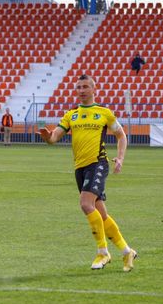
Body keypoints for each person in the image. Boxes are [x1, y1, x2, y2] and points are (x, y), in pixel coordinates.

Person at [39, 74, 137, 272]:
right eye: (78, 87)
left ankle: (103, 252)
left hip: (98, 163)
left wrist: (120, 158)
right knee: (101, 214)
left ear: (93, 89)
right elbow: (55, 137)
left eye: (85, 87)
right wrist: (48, 137)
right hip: (80, 168)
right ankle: (127, 251)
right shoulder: (71, 115)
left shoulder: (104, 113)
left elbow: (121, 136)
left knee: (85, 204)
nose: (81, 90)